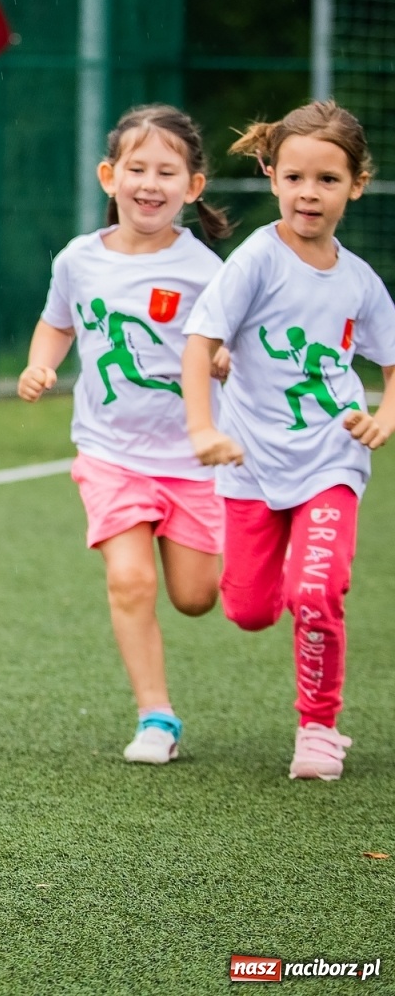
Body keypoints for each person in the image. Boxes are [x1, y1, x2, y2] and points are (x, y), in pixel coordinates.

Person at [183, 101, 395, 782]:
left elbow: (391, 363)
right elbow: (199, 342)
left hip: (332, 456)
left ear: (357, 185)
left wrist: (384, 417)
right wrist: (202, 427)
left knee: (314, 590)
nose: (310, 193)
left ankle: (320, 727)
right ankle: (304, 579)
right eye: (297, 177)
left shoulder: (360, 282)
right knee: (247, 610)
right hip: (248, 463)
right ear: (273, 176)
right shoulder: (255, 262)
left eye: (328, 180)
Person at [18, 105, 232, 765]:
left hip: (193, 461)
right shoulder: (79, 260)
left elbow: (237, 340)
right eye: (137, 168)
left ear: (192, 187)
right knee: (130, 581)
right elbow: (57, 322)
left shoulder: (206, 271)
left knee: (195, 598)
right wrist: (41, 362)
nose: (150, 183)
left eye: (167, 171)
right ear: (109, 176)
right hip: (110, 456)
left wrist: (226, 356)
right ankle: (156, 716)